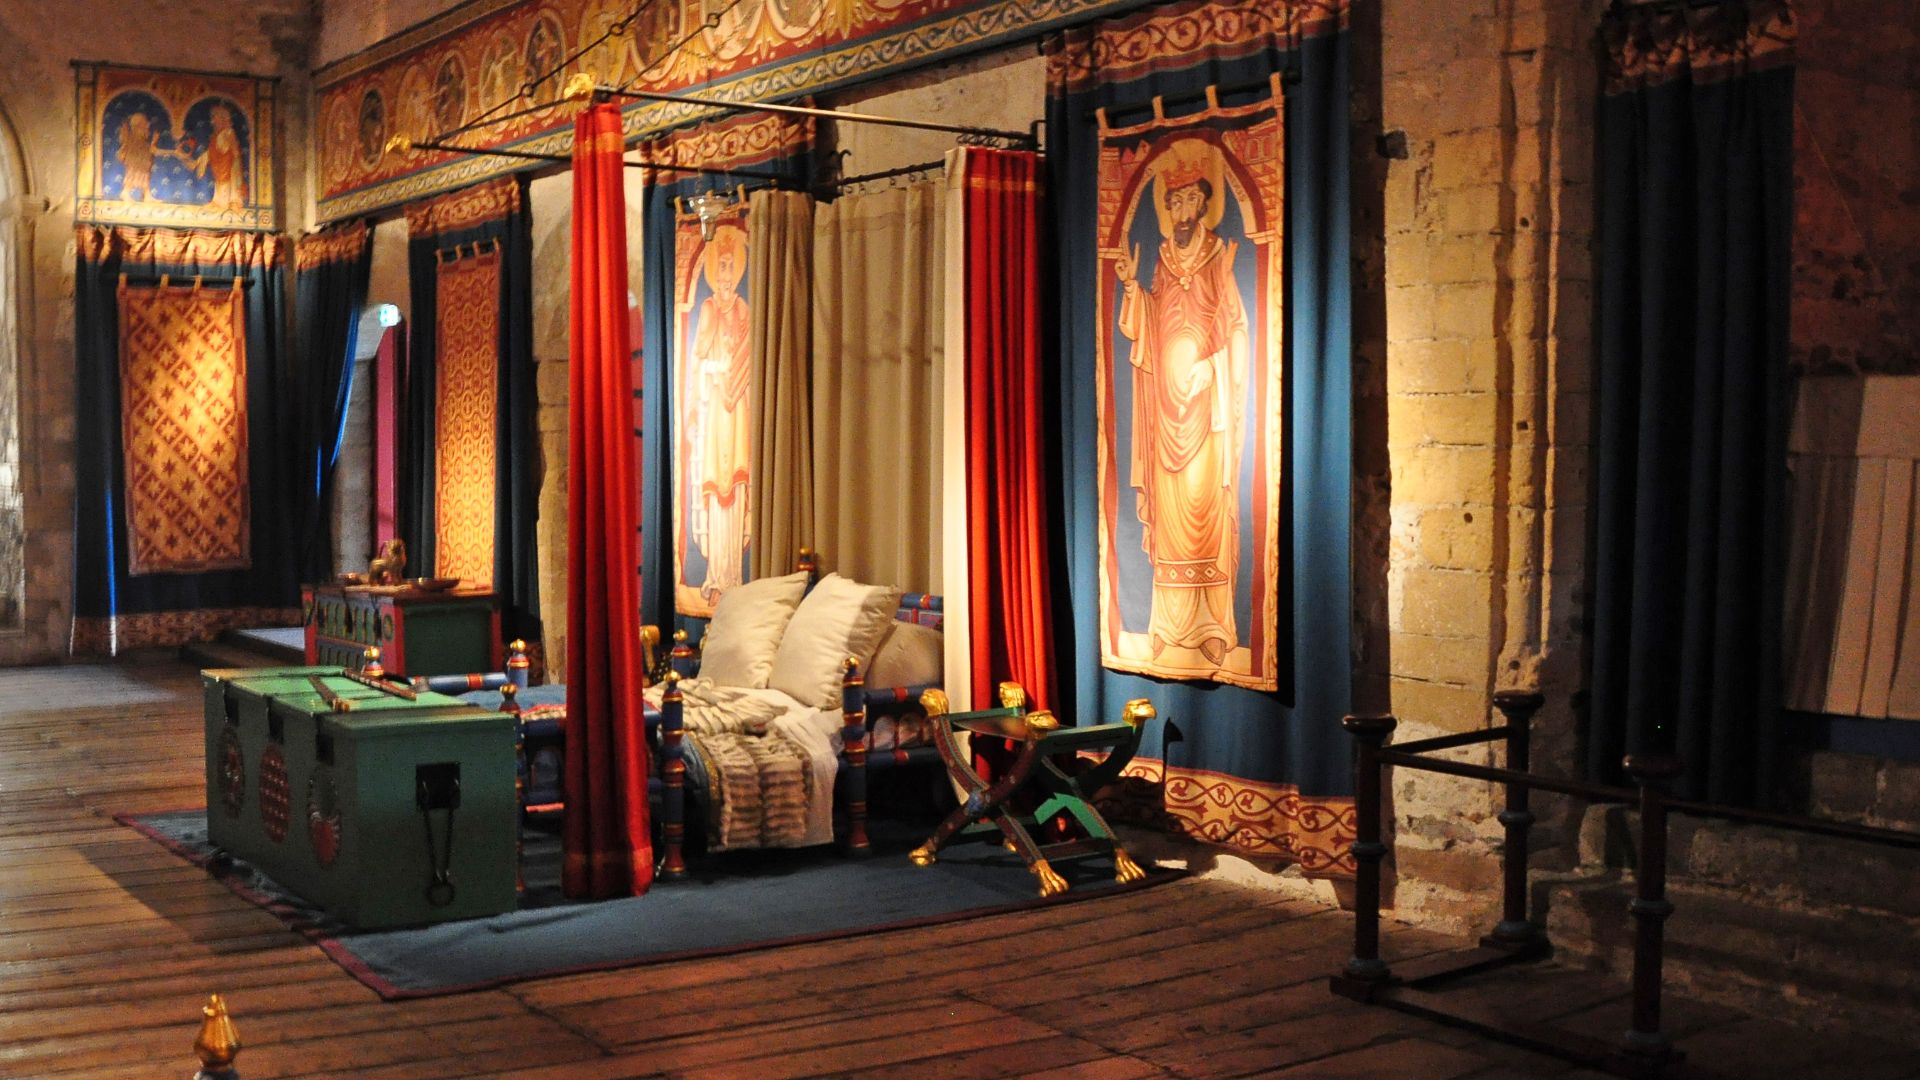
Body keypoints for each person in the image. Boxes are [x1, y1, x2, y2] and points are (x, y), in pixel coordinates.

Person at [1112, 137, 1249, 668]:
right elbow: (1149, 319)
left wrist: (1210, 368)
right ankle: (1168, 627)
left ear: (1205, 203)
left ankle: (1213, 626)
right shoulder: (1163, 262)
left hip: (1206, 415)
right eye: (1175, 203)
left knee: (1206, 515)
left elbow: (1235, 326)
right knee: (1170, 522)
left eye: (1192, 200)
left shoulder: (1220, 258)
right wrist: (1131, 290)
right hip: (1163, 413)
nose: (1183, 212)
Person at [688, 222, 751, 603]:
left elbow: (748, 354)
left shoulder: (743, 308)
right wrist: (715, 371)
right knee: (716, 488)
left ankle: (734, 575)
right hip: (716, 408)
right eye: (721, 266)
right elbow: (699, 358)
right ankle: (716, 574)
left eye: (731, 266)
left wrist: (734, 375)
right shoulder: (709, 308)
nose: (726, 274)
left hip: (738, 408)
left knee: (738, 485)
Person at [180, 105, 246, 209]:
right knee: (219, 183)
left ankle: (232, 201)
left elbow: (233, 150)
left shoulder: (229, 132)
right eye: (212, 118)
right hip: (219, 165)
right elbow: (210, 151)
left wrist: (235, 159)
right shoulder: (215, 135)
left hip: (229, 165)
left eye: (215, 118)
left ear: (222, 118)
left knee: (230, 182)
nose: (212, 121)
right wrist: (197, 162)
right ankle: (218, 201)